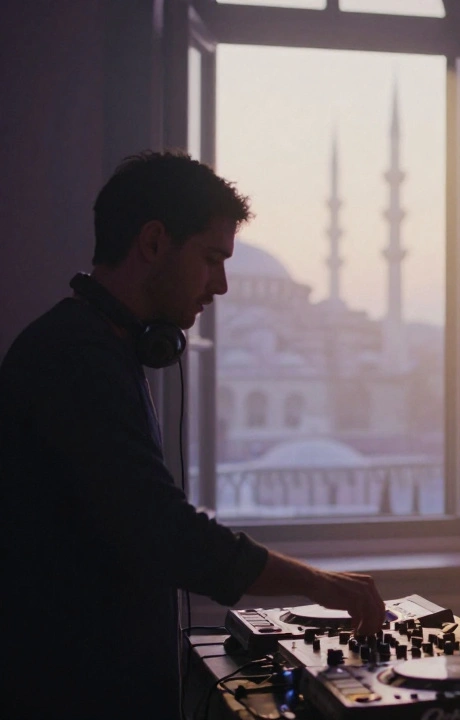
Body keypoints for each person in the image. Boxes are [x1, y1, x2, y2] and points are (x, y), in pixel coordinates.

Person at [0, 152, 386, 720]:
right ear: (154, 243)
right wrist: (323, 585)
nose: (222, 285)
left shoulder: (102, 348)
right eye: (211, 259)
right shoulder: (76, 360)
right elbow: (161, 530)